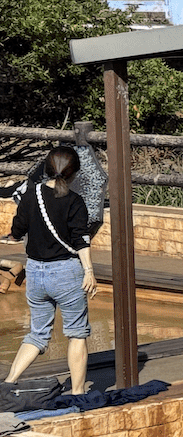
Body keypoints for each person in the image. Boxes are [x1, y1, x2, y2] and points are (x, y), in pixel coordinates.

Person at [3, 147, 97, 395]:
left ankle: (9, 383)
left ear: (46, 169)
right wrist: (89, 271)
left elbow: (18, 229)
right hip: (66, 273)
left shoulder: (31, 195)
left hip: (36, 272)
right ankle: (78, 393)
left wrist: (17, 234)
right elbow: (81, 239)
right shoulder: (75, 201)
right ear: (74, 173)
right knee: (76, 334)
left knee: (37, 335)